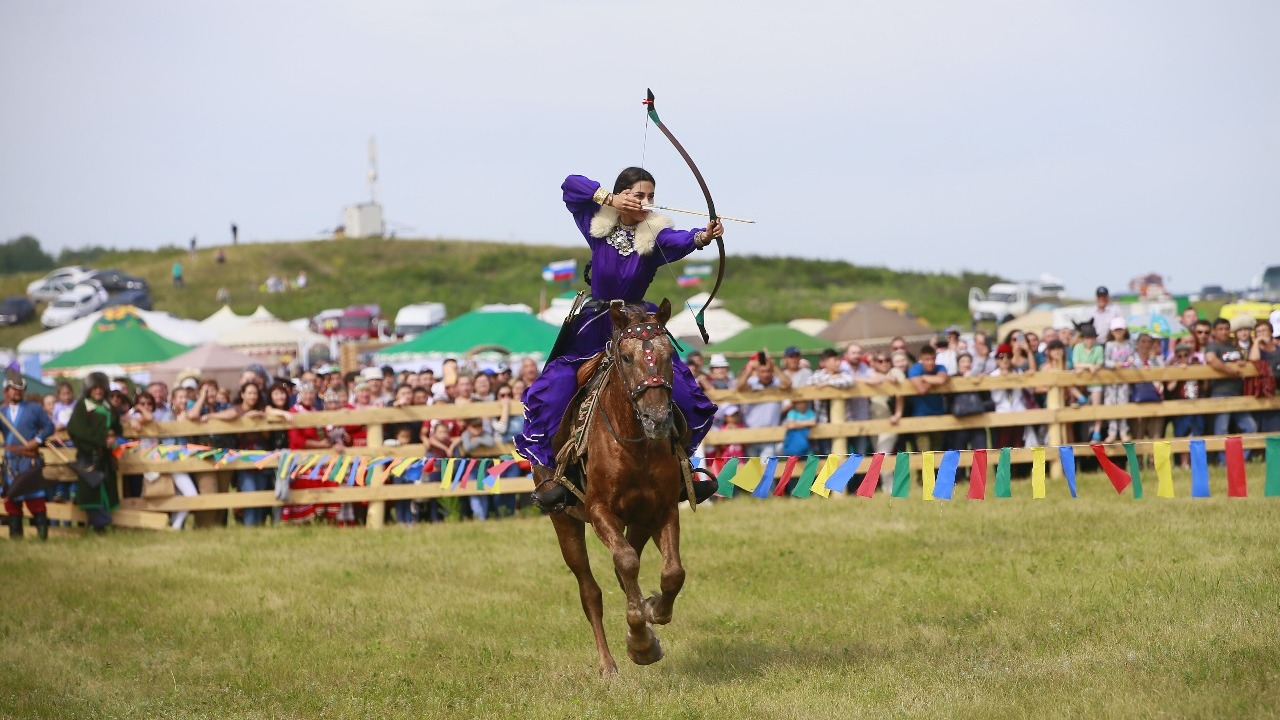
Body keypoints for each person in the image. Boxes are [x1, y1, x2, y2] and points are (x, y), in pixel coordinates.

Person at [516, 168, 723, 510]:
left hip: (638, 327)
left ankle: (681, 470)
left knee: (683, 393)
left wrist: (704, 235)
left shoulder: (655, 235)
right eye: (639, 195)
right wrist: (608, 199)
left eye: (650, 196)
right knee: (557, 389)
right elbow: (570, 184)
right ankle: (558, 476)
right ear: (623, 194)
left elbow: (683, 239)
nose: (646, 202)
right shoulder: (598, 224)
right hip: (596, 325)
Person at [67, 372, 123, 534]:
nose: (98, 391)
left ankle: (100, 526)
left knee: (106, 491)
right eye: (95, 388)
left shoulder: (108, 407)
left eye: (101, 388)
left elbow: (116, 427)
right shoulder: (82, 406)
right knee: (91, 492)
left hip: (105, 459)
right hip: (88, 457)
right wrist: (101, 440)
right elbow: (77, 431)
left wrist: (113, 436)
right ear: (89, 389)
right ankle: (102, 524)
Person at [2, 377, 55, 540]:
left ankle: (42, 539)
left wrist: (37, 440)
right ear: (7, 391)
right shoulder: (2, 412)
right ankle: (16, 539)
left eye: (20, 389)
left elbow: (49, 426)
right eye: (13, 388)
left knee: (35, 498)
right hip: (10, 462)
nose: (17, 392)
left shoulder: (34, 408)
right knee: (12, 500)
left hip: (29, 461)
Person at [1205, 317, 1257, 461]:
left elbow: (1244, 360)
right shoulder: (1213, 346)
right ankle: (1224, 462)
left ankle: (1241, 459)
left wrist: (1241, 364)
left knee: (1250, 427)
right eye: (1220, 329)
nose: (1224, 332)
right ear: (1214, 331)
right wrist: (1231, 371)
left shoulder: (1234, 346)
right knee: (1222, 429)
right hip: (1220, 393)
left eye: (1226, 329)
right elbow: (1211, 359)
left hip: (1238, 393)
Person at [736, 352, 792, 459]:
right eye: (762, 371)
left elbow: (788, 384)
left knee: (767, 468)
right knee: (751, 468)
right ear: (757, 372)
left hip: (770, 436)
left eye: (768, 371)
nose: (766, 374)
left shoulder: (777, 383)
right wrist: (751, 369)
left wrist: (774, 367)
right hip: (751, 434)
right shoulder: (752, 382)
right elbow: (739, 387)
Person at [906, 345, 950, 453]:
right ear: (921, 359)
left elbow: (941, 380)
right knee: (925, 450)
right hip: (920, 415)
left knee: (938, 449)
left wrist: (924, 378)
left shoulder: (940, 367)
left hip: (938, 415)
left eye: (932, 359)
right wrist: (934, 380)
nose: (930, 362)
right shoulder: (915, 369)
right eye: (927, 359)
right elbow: (922, 390)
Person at [1101, 317, 1136, 443]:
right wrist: (1114, 364)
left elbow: (1133, 357)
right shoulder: (1109, 345)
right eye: (1116, 330)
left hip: (1124, 379)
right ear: (1112, 331)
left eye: (1120, 329)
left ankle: (1123, 431)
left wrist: (1131, 361)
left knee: (1123, 403)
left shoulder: (1129, 344)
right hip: (1111, 381)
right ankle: (1112, 432)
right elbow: (1105, 361)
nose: (1118, 332)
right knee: (1110, 404)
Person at [1072, 324, 1105, 441]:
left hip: (1094, 381)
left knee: (1097, 406)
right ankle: (1080, 398)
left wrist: (1085, 367)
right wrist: (1089, 366)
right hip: (1081, 381)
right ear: (1083, 338)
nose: (1089, 340)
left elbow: (1099, 365)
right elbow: (1076, 364)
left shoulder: (1099, 348)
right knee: (1068, 382)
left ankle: (1097, 432)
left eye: (1092, 337)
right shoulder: (1078, 347)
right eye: (1087, 338)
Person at [1249, 319, 1280, 432]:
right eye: (1258, 331)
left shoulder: (1278, 349)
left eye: (1264, 330)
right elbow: (1254, 359)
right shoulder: (1255, 349)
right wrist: (1256, 342)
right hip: (1262, 391)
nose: (1261, 334)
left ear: (1271, 332)